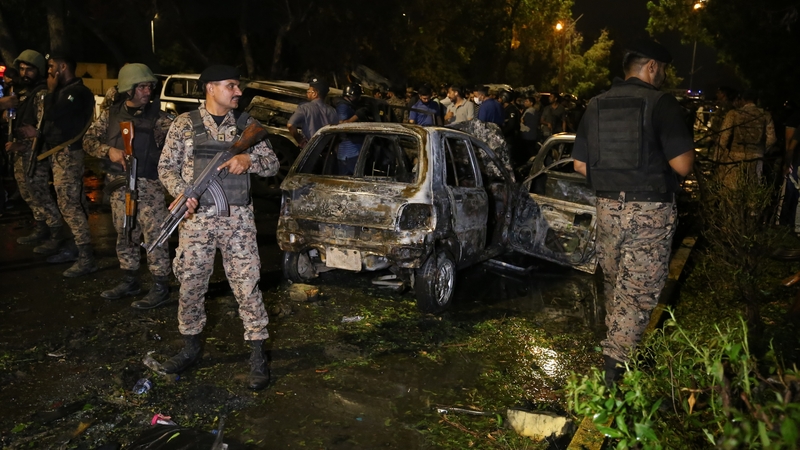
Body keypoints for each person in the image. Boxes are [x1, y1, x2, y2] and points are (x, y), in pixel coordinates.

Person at [572, 39, 695, 387]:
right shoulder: (661, 103)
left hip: (607, 209)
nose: (664, 74)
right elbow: (683, 165)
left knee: (616, 285)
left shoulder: (595, 105)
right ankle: (615, 375)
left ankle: (617, 352)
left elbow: (580, 164)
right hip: (650, 211)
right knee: (638, 293)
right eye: (663, 68)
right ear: (652, 66)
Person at [158, 65, 279, 390]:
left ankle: (257, 355)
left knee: (247, 286)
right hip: (195, 222)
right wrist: (182, 192)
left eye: (237, 85)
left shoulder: (246, 126)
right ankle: (190, 347)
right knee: (191, 284)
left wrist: (249, 161)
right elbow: (165, 167)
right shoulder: (185, 124)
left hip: (237, 221)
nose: (238, 91)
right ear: (211, 88)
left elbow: (273, 164)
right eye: (231, 85)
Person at [83, 63, 175, 309]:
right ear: (128, 89)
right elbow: (88, 140)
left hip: (150, 188)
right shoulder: (111, 115)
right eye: (142, 86)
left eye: (149, 86)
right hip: (119, 187)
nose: (148, 91)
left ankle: (160, 286)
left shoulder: (159, 119)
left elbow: (180, 144)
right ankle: (130, 279)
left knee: (155, 238)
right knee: (125, 234)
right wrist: (108, 151)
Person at [39, 55, 97, 277]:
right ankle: (75, 248)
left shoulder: (77, 92)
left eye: (52, 67)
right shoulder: (67, 91)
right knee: (74, 202)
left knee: (69, 205)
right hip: (60, 153)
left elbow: (53, 114)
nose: (49, 72)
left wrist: (51, 90)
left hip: (68, 155)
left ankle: (86, 257)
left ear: (63, 67)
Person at [2, 50, 63, 246]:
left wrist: (23, 144)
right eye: (21, 69)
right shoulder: (22, 94)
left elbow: (42, 127)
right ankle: (41, 228)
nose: (24, 73)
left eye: (29, 69)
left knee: (41, 194)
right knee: (28, 193)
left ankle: (56, 234)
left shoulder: (42, 94)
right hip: (19, 152)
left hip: (35, 153)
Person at [715, 90, 777, 189]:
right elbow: (772, 139)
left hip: (734, 157)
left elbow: (723, 137)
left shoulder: (733, 114)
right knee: (752, 189)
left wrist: (717, 159)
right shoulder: (765, 115)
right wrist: (761, 151)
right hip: (756, 157)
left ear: (742, 100)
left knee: (732, 189)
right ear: (756, 100)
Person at [287, 77, 338, 148]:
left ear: (315, 94)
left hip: (310, 149)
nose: (307, 93)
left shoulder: (304, 108)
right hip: (326, 151)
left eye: (309, 91)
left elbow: (290, 125)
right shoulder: (333, 111)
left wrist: (300, 141)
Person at [336, 83, 366, 175]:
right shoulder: (343, 106)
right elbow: (342, 125)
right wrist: (357, 116)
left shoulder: (349, 106)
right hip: (349, 152)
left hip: (351, 151)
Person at [519, 96, 542, 162]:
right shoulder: (534, 111)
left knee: (529, 151)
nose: (525, 103)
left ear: (531, 103)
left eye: (527, 101)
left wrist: (521, 119)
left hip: (527, 135)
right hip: (531, 134)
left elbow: (525, 121)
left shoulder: (529, 111)